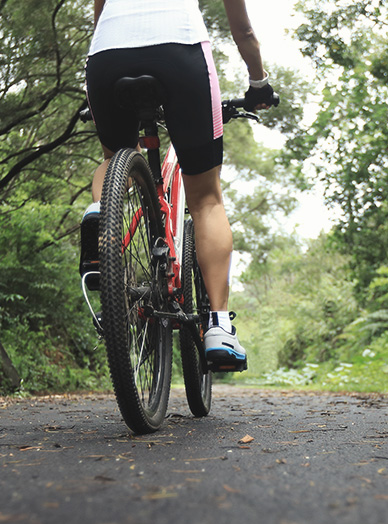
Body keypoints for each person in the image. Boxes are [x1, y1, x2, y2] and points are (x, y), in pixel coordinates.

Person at [81, 0, 276, 372]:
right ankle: (218, 326)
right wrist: (258, 83)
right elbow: (245, 32)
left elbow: (100, 14)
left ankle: (100, 220)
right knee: (205, 198)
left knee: (114, 157)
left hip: (107, 55)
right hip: (180, 51)